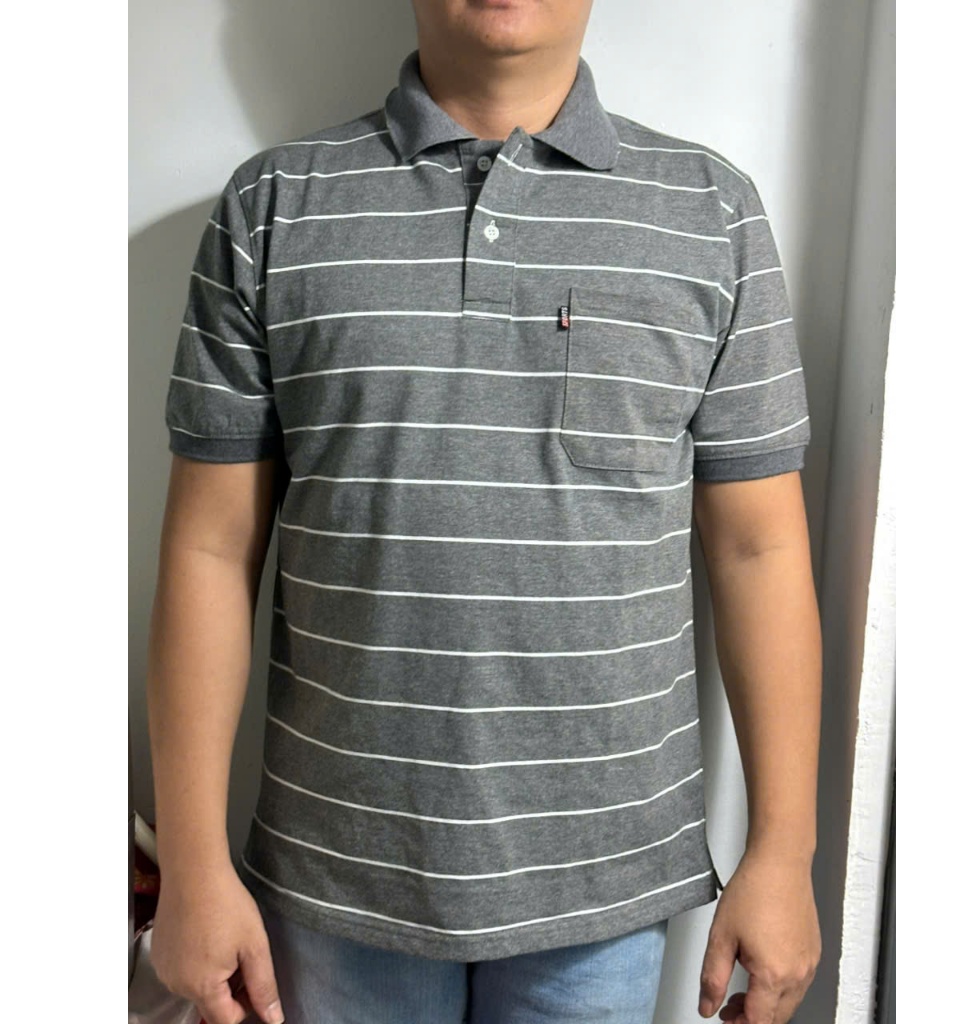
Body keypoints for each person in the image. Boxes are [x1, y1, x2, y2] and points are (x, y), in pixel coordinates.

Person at [145, 2, 823, 1022]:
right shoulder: (275, 208)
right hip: (338, 877)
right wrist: (194, 868)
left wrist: (785, 850)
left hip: (603, 882)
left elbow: (759, 550)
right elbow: (209, 547)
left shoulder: (708, 213)